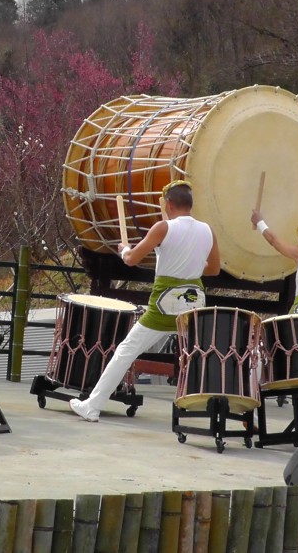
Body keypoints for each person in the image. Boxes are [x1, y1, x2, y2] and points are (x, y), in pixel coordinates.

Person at [70, 181, 220, 422]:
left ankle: (93, 405)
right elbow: (213, 268)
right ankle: (216, 408)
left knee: (125, 351)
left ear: (168, 204)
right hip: (193, 304)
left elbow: (131, 259)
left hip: (164, 305)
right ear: (190, 204)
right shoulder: (207, 230)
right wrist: (191, 264)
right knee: (200, 355)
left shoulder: (163, 228)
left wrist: (124, 249)